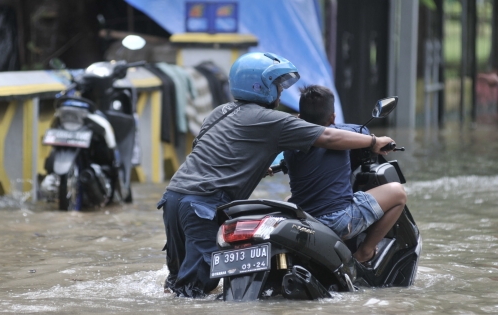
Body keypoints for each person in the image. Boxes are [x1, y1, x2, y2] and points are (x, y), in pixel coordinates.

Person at [157, 53, 397, 298]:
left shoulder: (220, 112)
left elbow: (219, 151)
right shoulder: (271, 120)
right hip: (203, 204)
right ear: (260, 86)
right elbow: (327, 136)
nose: (281, 92)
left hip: (174, 197)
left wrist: (263, 167)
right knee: (194, 290)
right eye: (277, 85)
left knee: (176, 282)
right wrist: (374, 141)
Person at [283, 85, 407, 265]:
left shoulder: (289, 139)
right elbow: (362, 132)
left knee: (289, 198)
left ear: (300, 116)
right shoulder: (348, 135)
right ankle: (365, 251)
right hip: (338, 221)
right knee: (398, 193)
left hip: (306, 218)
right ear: (333, 118)